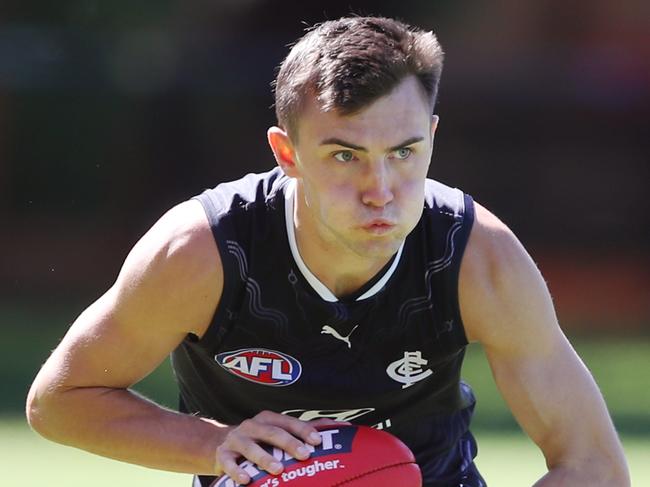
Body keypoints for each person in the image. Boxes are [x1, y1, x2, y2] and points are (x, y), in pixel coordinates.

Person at [26, 16, 629, 487]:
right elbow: (60, 400)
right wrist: (213, 444)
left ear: (432, 138)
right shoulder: (201, 253)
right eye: (346, 156)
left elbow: (593, 464)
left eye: (404, 152)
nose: (381, 191)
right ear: (287, 155)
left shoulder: (477, 259)